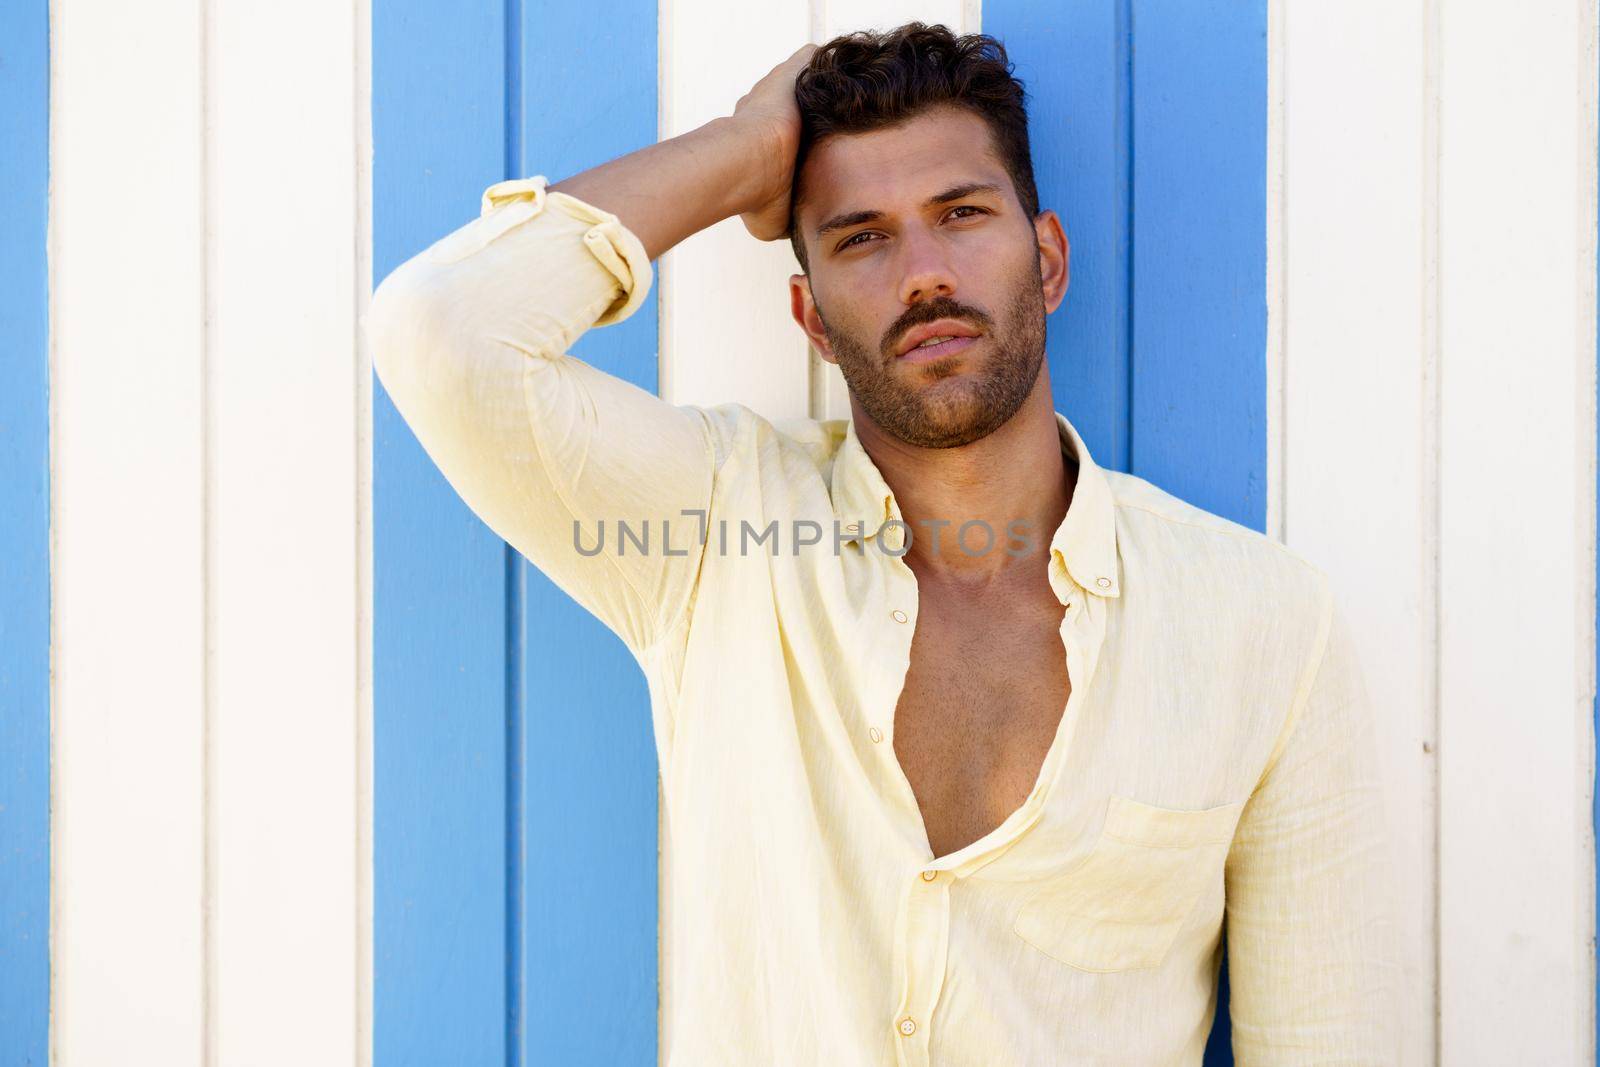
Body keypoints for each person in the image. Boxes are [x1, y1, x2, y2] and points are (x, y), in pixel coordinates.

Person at [366, 22, 1401, 1065]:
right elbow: (444, 330)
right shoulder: (714, 531)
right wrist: (744, 151)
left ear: (1045, 260)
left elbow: (1329, 1039)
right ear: (810, 318)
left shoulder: (1263, 621)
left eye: (961, 214)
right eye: (863, 236)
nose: (923, 274)